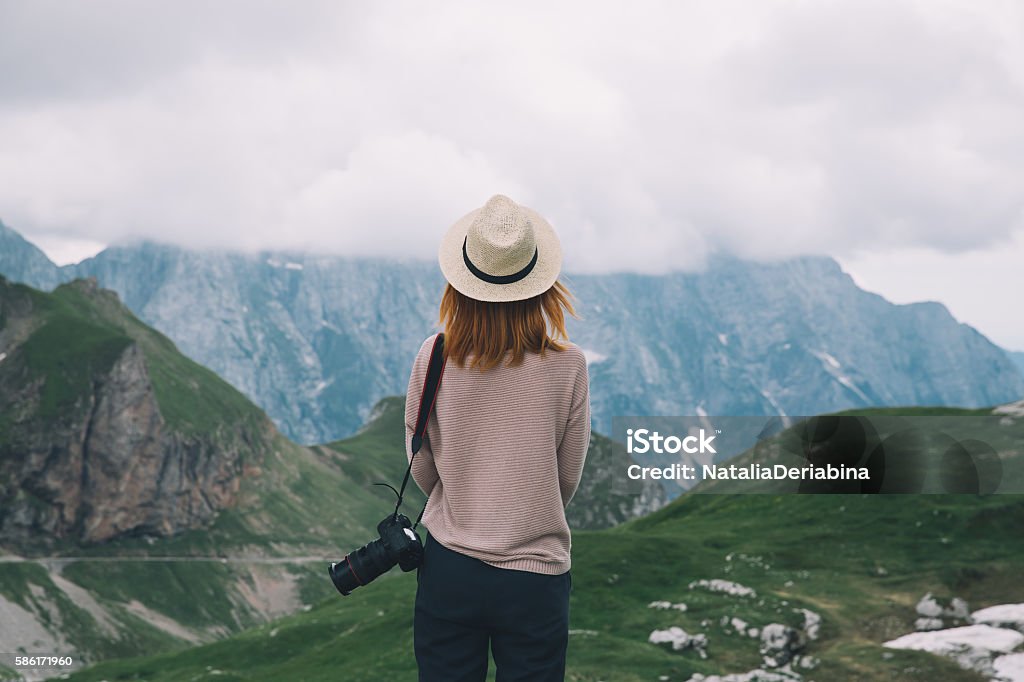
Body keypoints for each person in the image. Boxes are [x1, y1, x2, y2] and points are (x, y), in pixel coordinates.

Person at [404, 194, 591, 682]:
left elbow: (420, 459)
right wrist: (523, 504)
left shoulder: (435, 355)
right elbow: (566, 475)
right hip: (535, 576)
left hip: (452, 567)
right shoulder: (568, 365)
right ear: (540, 285)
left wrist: (466, 500)